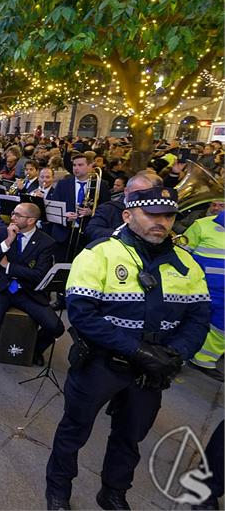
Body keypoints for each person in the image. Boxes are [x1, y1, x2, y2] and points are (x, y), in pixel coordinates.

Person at [44, 187, 210, 510]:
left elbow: (199, 317)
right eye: (152, 214)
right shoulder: (100, 253)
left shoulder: (187, 264)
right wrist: (137, 350)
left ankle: (113, 492)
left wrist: (176, 354)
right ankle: (58, 490)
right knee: (74, 430)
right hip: (101, 364)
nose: (161, 222)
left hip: (152, 371)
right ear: (128, 215)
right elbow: (82, 313)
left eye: (169, 216)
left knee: (130, 438)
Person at [0, 203, 63, 365]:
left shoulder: (46, 242)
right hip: (1, 286)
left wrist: (8, 267)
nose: (12, 217)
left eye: (17, 215)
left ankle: (34, 349)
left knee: (56, 327)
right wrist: (8, 241)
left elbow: (39, 275)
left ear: (31, 221)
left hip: (27, 291)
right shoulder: (3, 232)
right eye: (13, 213)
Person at [182, 207, 225, 381]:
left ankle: (204, 360)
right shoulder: (202, 225)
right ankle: (177, 357)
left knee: (221, 328)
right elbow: (181, 254)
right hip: (200, 289)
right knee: (187, 322)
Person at [84, 172, 162, 242]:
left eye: (146, 193)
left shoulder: (154, 210)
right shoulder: (108, 208)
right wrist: (120, 234)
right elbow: (91, 231)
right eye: (136, 192)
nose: (140, 196)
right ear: (126, 191)